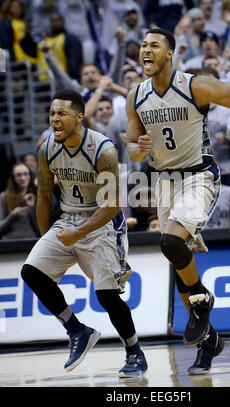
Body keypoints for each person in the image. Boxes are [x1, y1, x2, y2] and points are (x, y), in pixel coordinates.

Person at [126, 28, 230, 374]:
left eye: (154, 45)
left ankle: (202, 301)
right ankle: (208, 341)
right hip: (164, 181)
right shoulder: (136, 94)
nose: (146, 50)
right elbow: (132, 143)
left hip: (198, 175)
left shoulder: (195, 86)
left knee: (171, 241)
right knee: (177, 255)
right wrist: (137, 148)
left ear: (170, 54)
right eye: (143, 45)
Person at [20, 89, 147, 378]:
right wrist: (46, 238)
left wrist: (77, 234)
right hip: (68, 218)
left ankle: (135, 352)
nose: (54, 119)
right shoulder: (47, 148)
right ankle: (77, 330)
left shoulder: (104, 151)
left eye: (61, 113)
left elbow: (113, 204)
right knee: (32, 271)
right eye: (52, 113)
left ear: (79, 117)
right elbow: (43, 195)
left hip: (102, 222)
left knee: (107, 296)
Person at [0, 162, 40, 240]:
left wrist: (31, 208)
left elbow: (41, 230)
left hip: (32, 241)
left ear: (30, 175)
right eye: (19, 175)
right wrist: (13, 215)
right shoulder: (3, 197)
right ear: (13, 178)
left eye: (26, 174)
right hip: (9, 242)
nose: (23, 178)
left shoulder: (37, 194)